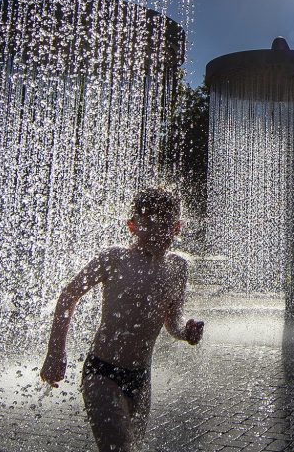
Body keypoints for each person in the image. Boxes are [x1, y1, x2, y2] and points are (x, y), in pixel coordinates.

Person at [40, 188, 204, 452]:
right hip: (103, 373)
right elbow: (68, 296)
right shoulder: (115, 258)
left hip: (141, 378)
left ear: (177, 228)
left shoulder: (178, 268)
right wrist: (55, 352)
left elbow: (171, 322)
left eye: (165, 226)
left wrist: (186, 332)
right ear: (132, 226)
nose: (156, 232)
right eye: (148, 225)